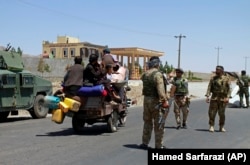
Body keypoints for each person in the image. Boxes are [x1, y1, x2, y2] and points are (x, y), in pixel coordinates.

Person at [139, 56, 169, 149]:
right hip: (156, 102)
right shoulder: (158, 74)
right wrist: (164, 101)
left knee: (147, 122)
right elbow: (160, 89)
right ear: (157, 64)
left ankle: (144, 143)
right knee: (159, 123)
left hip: (146, 100)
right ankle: (159, 146)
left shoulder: (145, 74)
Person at [205, 65, 232, 133]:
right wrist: (207, 96)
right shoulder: (213, 78)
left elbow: (229, 89)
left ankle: (221, 126)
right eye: (216, 69)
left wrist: (228, 97)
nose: (217, 71)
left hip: (223, 99)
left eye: (218, 70)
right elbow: (209, 87)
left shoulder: (227, 78)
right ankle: (211, 126)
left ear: (222, 71)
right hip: (214, 98)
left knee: (221, 114)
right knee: (211, 113)